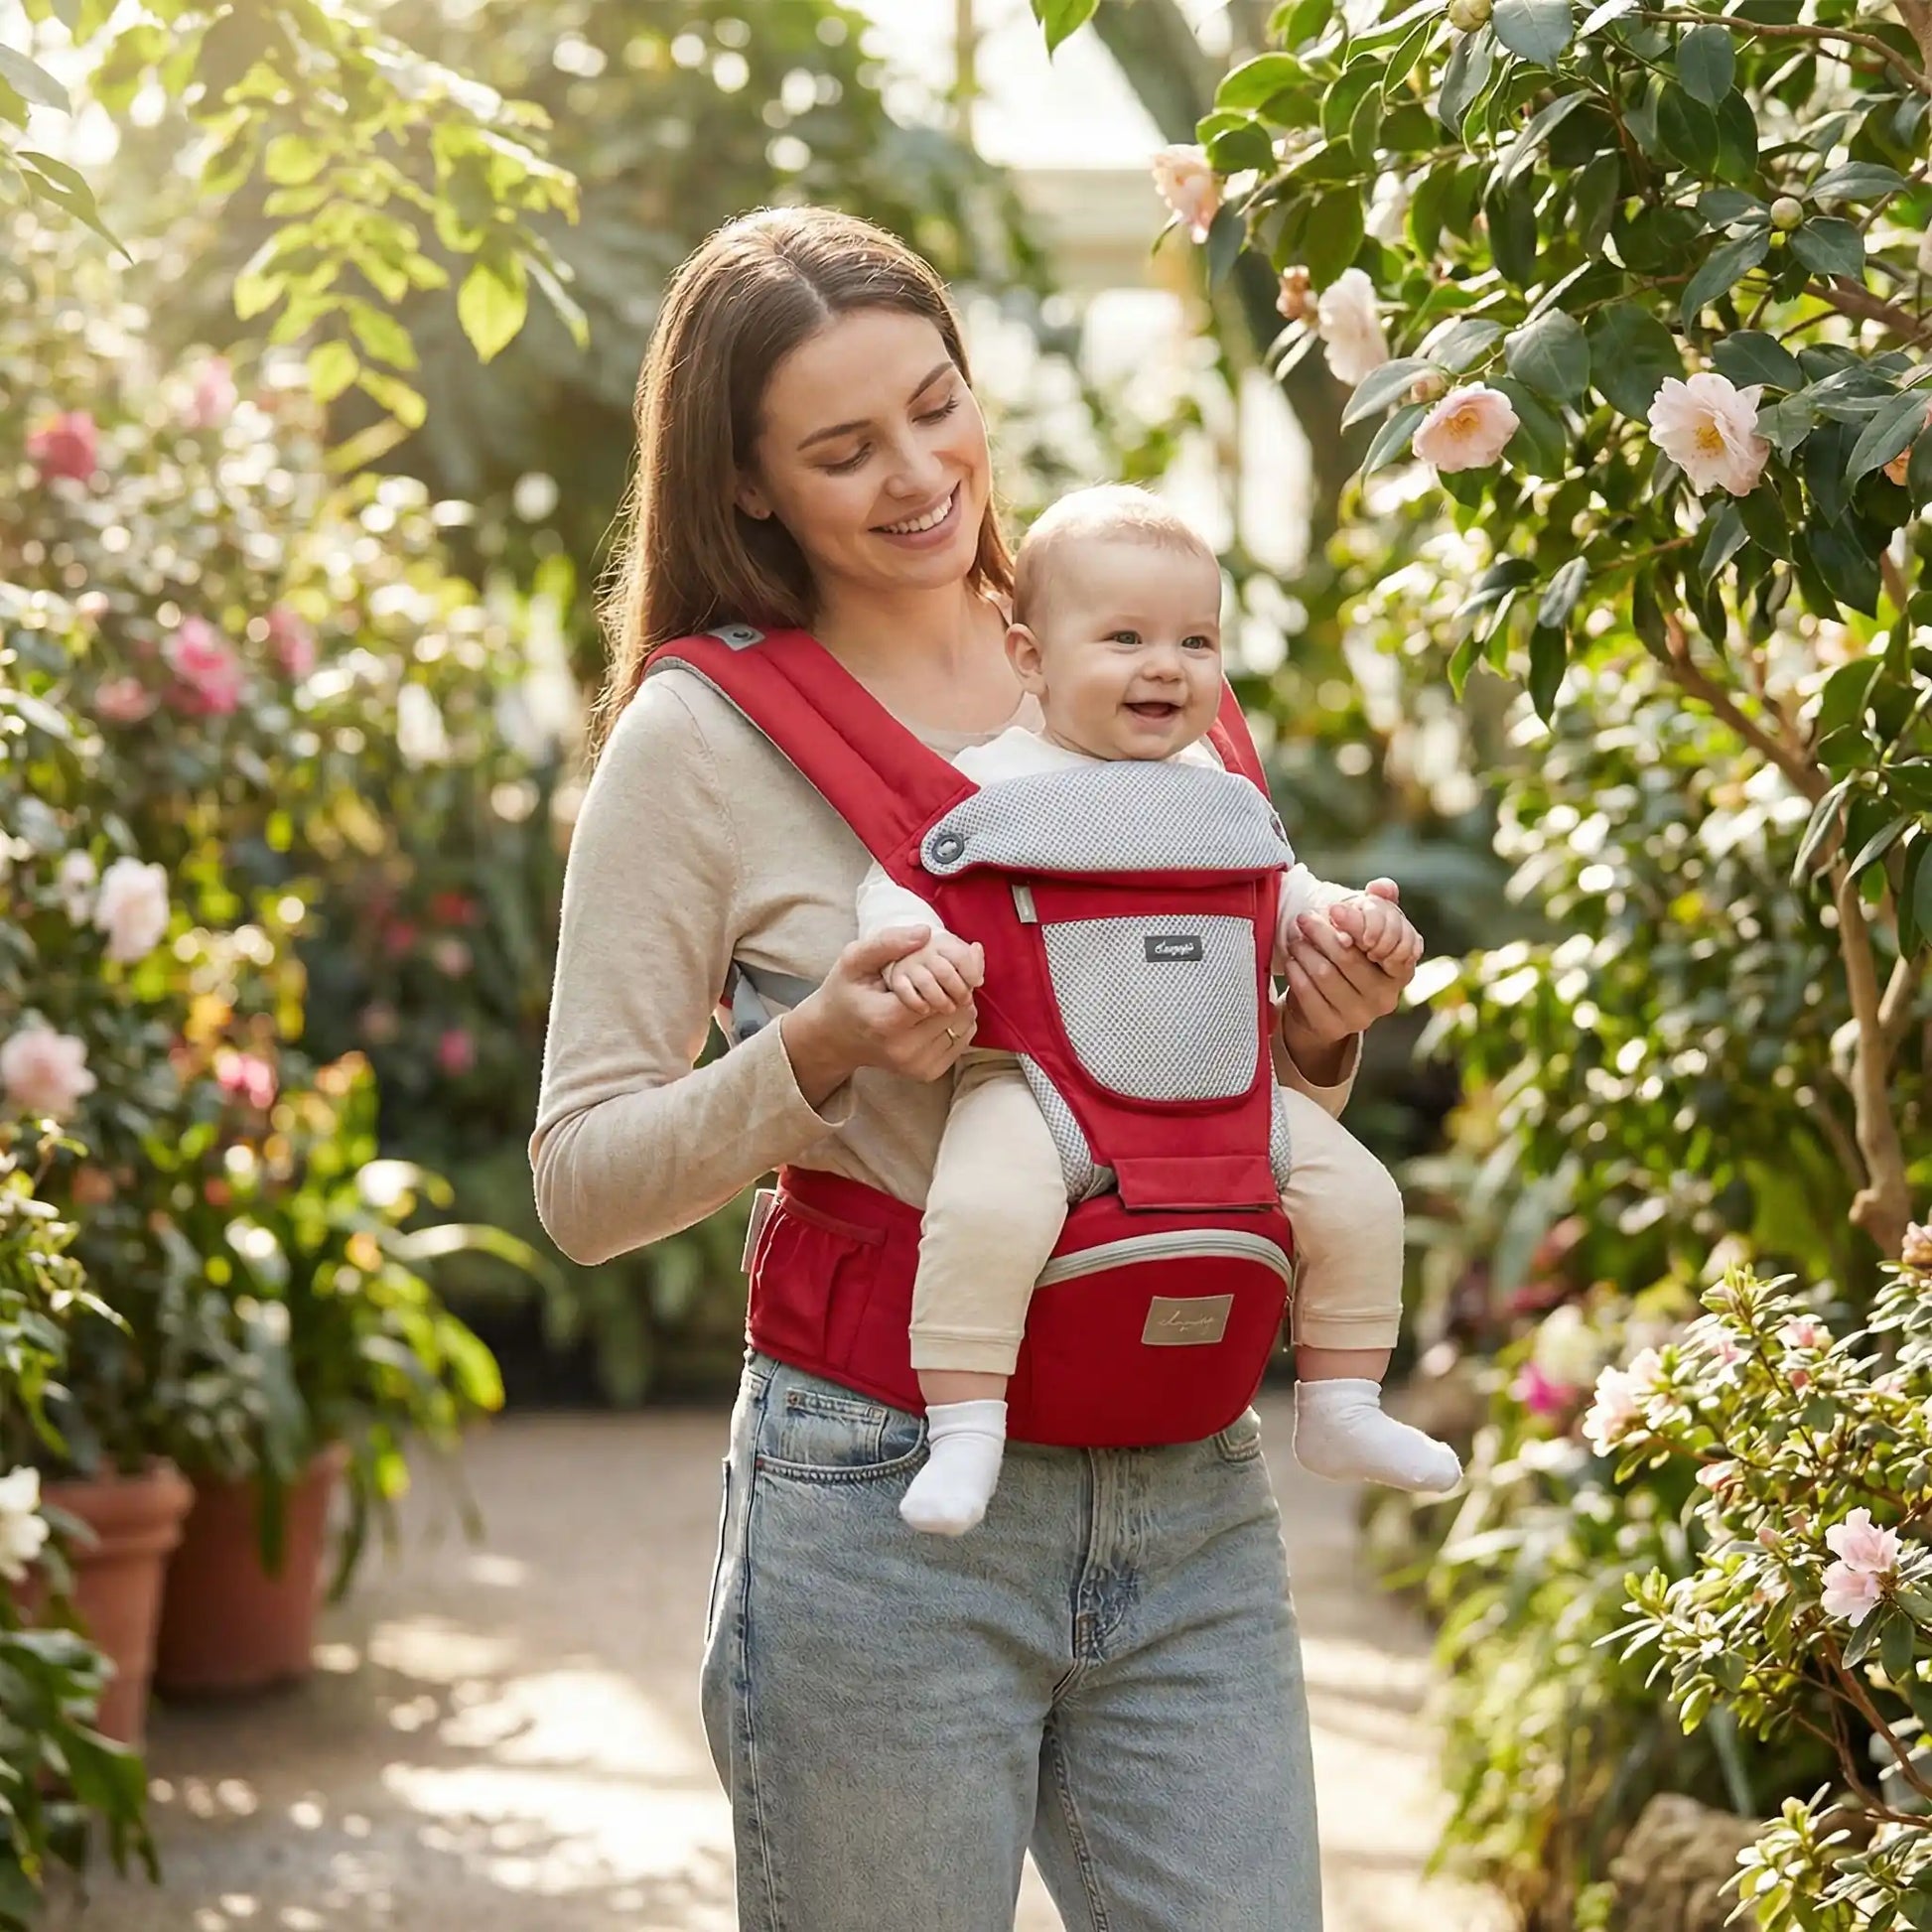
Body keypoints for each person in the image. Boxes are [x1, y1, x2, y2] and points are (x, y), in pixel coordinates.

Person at [531, 205, 1423, 1932]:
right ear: (747, 489)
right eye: (845, 449)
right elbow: (579, 1184)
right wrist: (823, 1046)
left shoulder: (1129, 648)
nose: (922, 474)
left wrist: (1320, 1011)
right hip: (880, 1496)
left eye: (939, 404)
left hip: (1183, 1476)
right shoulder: (701, 739)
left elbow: (1230, 1104)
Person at [855, 483, 1461, 1537]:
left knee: (1362, 1198)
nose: (1165, 665)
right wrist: (906, 953)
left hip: (1228, 1094)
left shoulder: (1219, 789)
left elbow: (1289, 897)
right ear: (1030, 659)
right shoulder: (989, 783)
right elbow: (899, 884)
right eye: (1124, 636)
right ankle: (964, 1423)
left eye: (1195, 639)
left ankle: (1340, 1402)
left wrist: (1351, 929)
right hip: (1039, 1082)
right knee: (982, 1210)